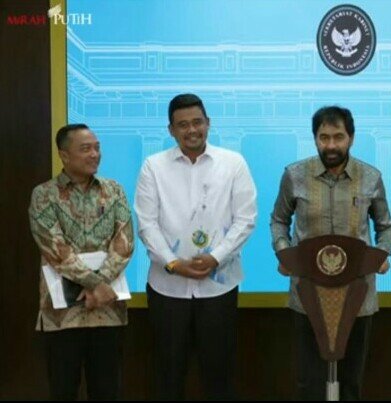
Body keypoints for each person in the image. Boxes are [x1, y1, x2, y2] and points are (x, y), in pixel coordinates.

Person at [134, 93, 257, 400]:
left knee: (219, 374)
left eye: (197, 122)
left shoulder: (233, 163)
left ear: (208, 123)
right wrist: (173, 263)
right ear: (171, 130)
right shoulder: (153, 166)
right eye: (183, 124)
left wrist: (216, 258)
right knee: (168, 374)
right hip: (167, 288)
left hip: (219, 287)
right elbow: (146, 223)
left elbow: (246, 219)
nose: (192, 130)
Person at [270, 105, 391, 400]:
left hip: (357, 294)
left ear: (351, 138)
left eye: (338, 137)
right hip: (308, 294)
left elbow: (386, 226)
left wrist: (381, 254)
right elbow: (278, 220)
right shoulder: (294, 175)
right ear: (315, 138)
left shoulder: (370, 177)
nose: (331, 145)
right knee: (309, 383)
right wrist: (284, 253)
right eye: (323, 137)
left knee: (351, 382)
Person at [29, 123, 134, 400]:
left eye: (97, 148)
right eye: (86, 149)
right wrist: (95, 284)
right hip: (63, 315)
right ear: (64, 155)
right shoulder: (44, 194)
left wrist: (100, 286)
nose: (94, 154)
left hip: (108, 310)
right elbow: (54, 247)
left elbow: (124, 242)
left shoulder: (114, 190)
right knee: (63, 390)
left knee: (108, 390)